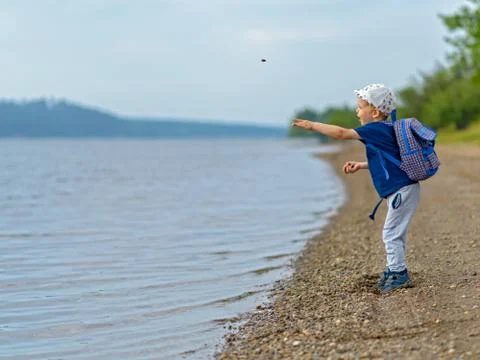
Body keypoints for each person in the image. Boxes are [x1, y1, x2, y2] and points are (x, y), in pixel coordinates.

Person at [292, 83, 420, 294]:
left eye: (360, 107)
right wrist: (361, 165)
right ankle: (394, 269)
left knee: (390, 233)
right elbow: (390, 161)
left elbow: (342, 133)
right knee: (395, 232)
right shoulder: (386, 129)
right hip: (404, 189)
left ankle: (398, 273)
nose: (357, 111)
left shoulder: (375, 129)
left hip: (401, 190)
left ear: (375, 111)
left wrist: (313, 125)